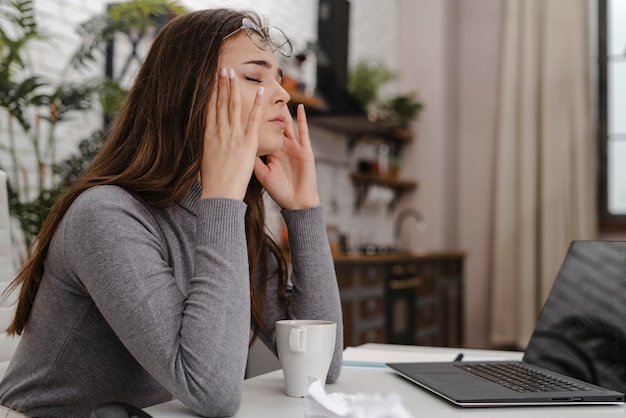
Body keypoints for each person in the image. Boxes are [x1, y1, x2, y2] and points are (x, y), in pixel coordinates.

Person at [0, 8, 343, 418]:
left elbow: (321, 368)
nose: (282, 95)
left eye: (279, 80)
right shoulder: (105, 216)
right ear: (190, 94)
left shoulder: (229, 220)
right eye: (255, 77)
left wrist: (303, 211)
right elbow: (212, 392)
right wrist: (224, 202)